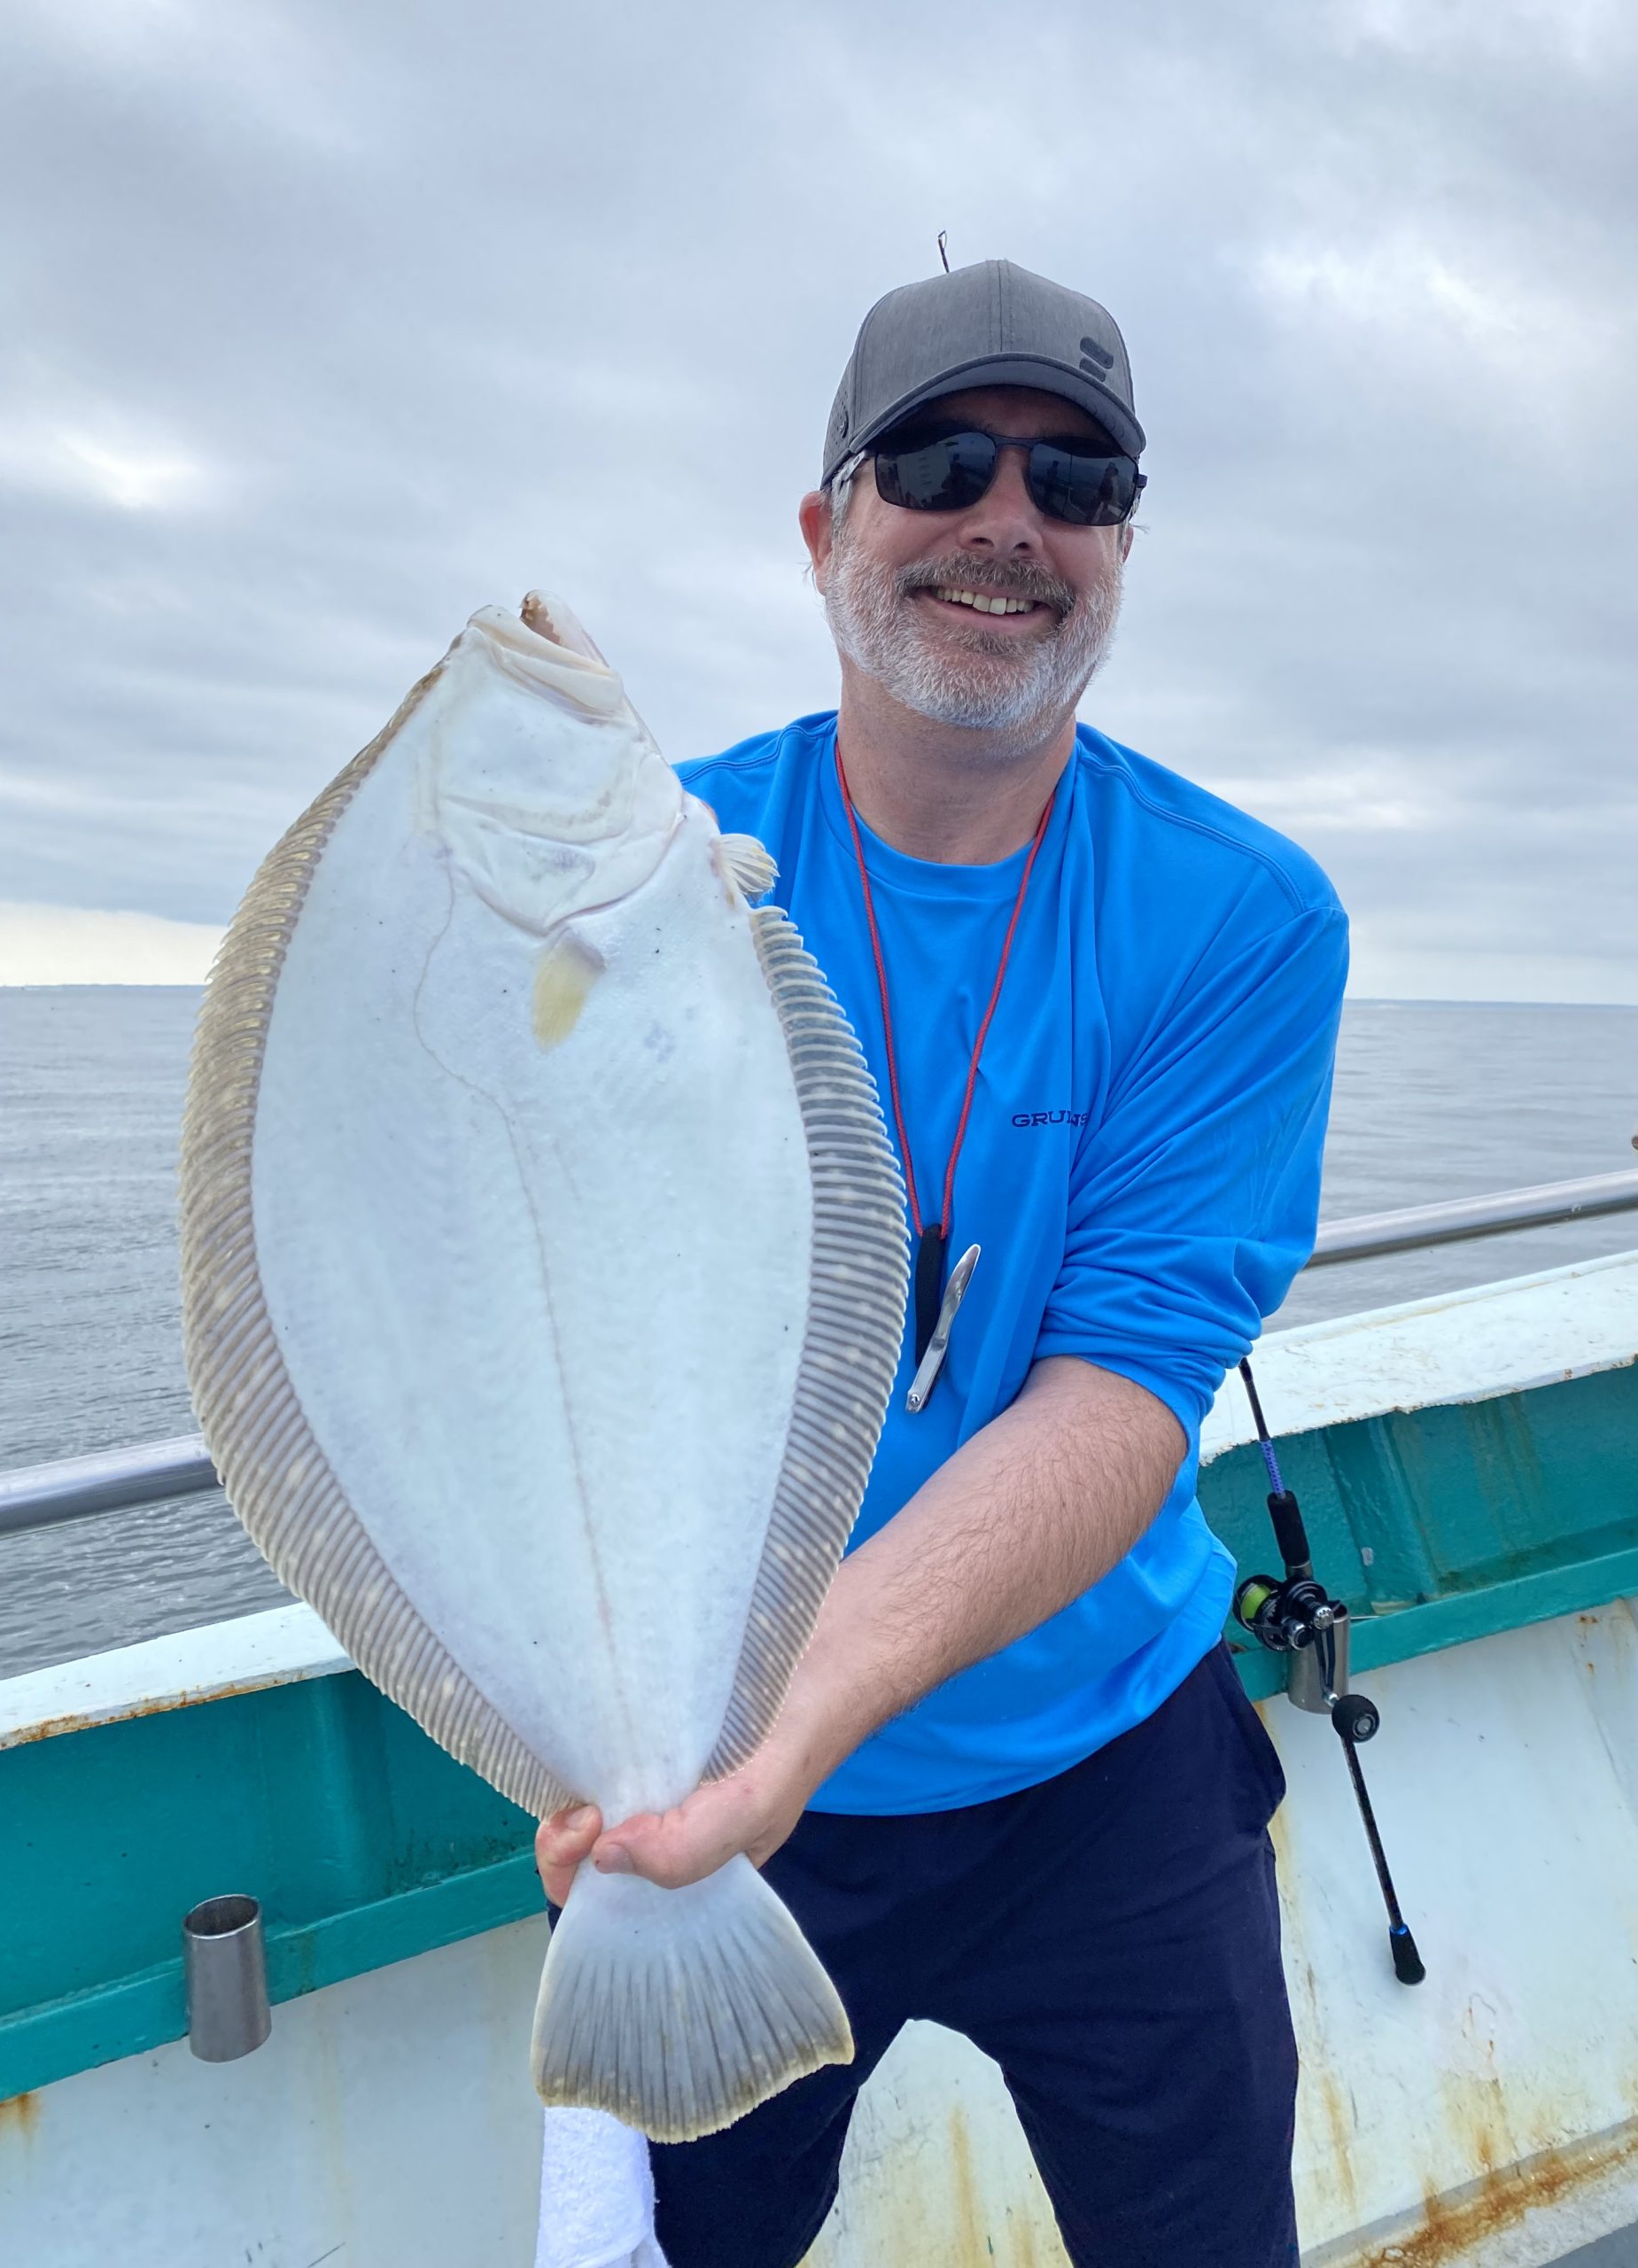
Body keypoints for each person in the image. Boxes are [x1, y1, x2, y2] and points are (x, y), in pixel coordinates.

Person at [537, 257, 1348, 2268]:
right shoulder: (641, 876)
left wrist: (798, 1707)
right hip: (733, 1786)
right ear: (826, 528)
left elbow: (1126, 1384)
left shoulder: (1243, 918)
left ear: (1124, 548)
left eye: (1079, 481)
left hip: (1106, 1755)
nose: (1010, 519)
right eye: (941, 459)